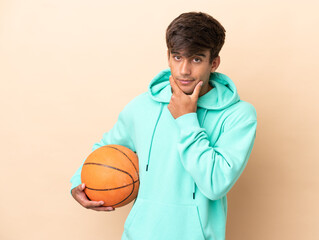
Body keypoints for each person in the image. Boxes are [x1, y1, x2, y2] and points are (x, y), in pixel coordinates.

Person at [70, 12, 257, 240]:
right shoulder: (142, 106)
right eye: (177, 57)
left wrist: (186, 119)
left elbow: (215, 184)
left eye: (196, 59)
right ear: (168, 57)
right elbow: (105, 148)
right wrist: (78, 183)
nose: (184, 70)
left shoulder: (238, 115)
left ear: (214, 62)